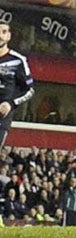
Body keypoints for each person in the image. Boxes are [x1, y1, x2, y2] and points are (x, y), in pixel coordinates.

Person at [0, 20, 33, 150]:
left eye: (3, 32)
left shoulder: (18, 60)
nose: (0, 35)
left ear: (9, 36)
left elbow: (30, 90)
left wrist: (11, 103)